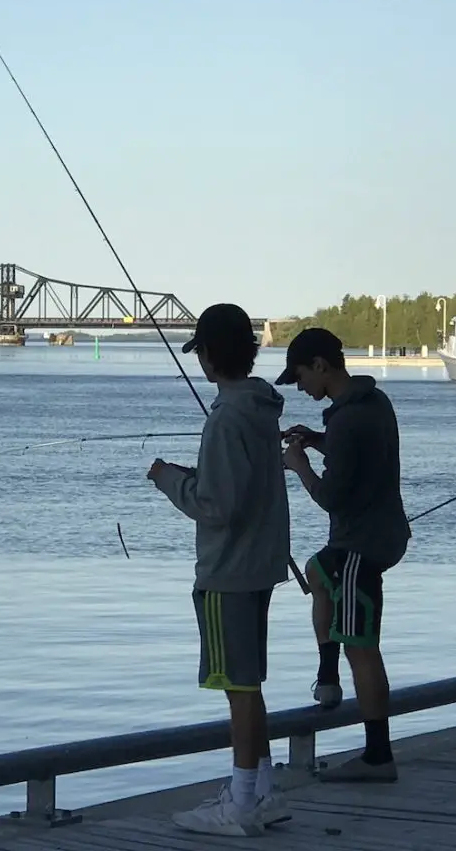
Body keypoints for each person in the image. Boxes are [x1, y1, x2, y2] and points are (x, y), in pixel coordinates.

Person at [147, 302, 292, 837]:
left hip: (227, 572)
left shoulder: (227, 418)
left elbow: (216, 508)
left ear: (208, 355)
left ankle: (241, 803)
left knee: (237, 685)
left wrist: (167, 478)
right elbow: (238, 489)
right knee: (250, 683)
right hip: (260, 566)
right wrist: (199, 475)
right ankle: (264, 790)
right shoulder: (261, 410)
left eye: (200, 351)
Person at [277, 327, 410, 783]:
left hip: (361, 545)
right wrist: (317, 437)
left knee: (362, 647)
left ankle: (378, 757)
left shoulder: (348, 420)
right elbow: (359, 452)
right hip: (382, 534)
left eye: (300, 378)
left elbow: (331, 497)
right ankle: (327, 679)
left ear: (320, 365)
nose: (300, 388)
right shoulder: (372, 403)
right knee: (316, 571)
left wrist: (301, 466)